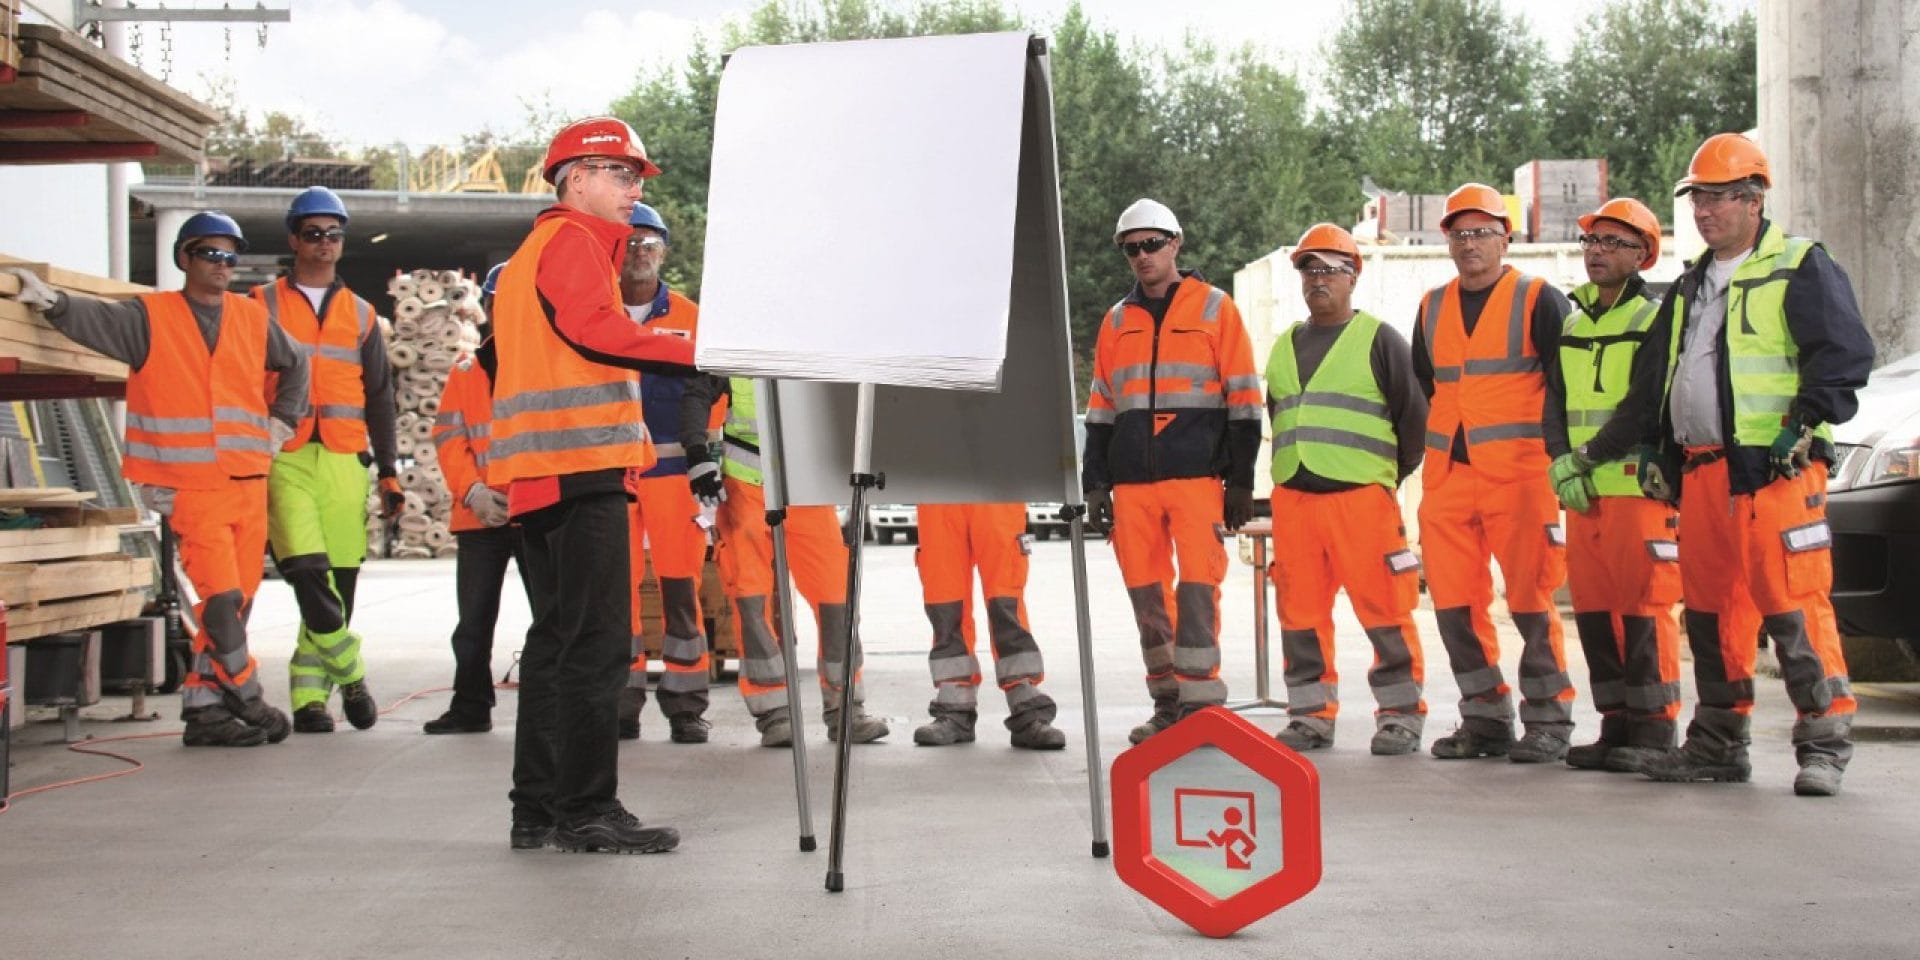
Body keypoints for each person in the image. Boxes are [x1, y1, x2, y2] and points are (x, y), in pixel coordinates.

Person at [1575, 133, 1873, 796]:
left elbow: (1845, 355)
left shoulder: (1799, 267)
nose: (1705, 211)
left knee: (1793, 605)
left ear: (1753, 199)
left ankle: (1824, 741)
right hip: (1703, 475)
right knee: (1712, 612)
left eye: (1717, 198)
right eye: (1698, 199)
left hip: (1776, 474)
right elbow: (1655, 380)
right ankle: (1717, 744)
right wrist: (1649, 446)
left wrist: (1801, 422)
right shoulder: (1689, 286)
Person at [8, 213, 307, 746]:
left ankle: (204, 710)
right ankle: (248, 692)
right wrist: (52, 301)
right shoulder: (151, 316)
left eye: (230, 256)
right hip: (189, 484)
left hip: (247, 478)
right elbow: (96, 321)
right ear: (185, 259)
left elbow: (297, 363)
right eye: (211, 254)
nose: (223, 265)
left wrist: (281, 421)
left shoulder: (251, 317)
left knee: (236, 603)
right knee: (219, 600)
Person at [490, 117, 693, 852]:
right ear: (576, 178)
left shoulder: (535, 251)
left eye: (636, 176)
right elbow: (595, 331)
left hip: (543, 477)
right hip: (579, 472)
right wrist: (697, 348)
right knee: (601, 644)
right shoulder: (573, 242)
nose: (634, 189)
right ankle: (586, 810)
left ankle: (537, 810)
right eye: (621, 173)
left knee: (556, 643)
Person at [1082, 198, 1262, 744]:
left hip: (1196, 480)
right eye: (1131, 249)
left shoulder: (1215, 308)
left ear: (1175, 243)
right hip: (1133, 484)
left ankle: (1202, 706)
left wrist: (1242, 482)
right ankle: (1167, 702)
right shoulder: (1117, 320)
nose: (1142, 256)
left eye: (1151, 244)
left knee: (1198, 591)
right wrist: (1095, 483)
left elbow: (1245, 401)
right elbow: (1101, 407)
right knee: (1146, 594)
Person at [1411, 182, 1576, 764]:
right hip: (1449, 478)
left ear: (1506, 237)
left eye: (1481, 232)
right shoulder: (1432, 306)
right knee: (1455, 606)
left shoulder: (1539, 299)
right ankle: (1485, 720)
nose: (1470, 244)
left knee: (1532, 604)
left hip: (1520, 475)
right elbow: (1430, 384)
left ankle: (1549, 720)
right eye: (1459, 234)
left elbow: (1565, 385)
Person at [1262, 224, 1429, 756]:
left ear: (1354, 276)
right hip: (1295, 501)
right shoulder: (1284, 345)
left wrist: (1383, 478)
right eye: (1310, 269)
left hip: (1362, 501)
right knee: (1300, 614)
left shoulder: (1381, 339)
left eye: (1331, 269)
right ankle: (1310, 716)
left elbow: (1414, 421)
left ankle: (1400, 715)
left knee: (1385, 608)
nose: (1319, 280)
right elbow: (1280, 417)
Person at [253, 185, 401, 734]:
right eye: (313, 234)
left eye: (334, 234)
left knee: (339, 584)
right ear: (294, 239)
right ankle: (354, 675)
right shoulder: (261, 304)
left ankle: (310, 699)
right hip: (284, 453)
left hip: (344, 457)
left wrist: (387, 471)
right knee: (307, 573)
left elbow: (381, 395)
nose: (324, 243)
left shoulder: (362, 314)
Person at [1544, 198, 1683, 773]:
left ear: (1643, 255)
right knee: (1597, 611)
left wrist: (1581, 458)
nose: (1597, 253)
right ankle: (1616, 723)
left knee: (1644, 607)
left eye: (1614, 244)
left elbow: (1644, 406)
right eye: (1592, 243)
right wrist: (1558, 458)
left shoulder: (1653, 317)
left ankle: (1654, 730)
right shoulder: (1574, 322)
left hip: (1634, 488)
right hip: (1585, 493)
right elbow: (1554, 398)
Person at [677, 375, 891, 747]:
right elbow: (696, 397)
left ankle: (846, 711)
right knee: (751, 600)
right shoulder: (733, 354)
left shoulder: (807, 349)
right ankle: (774, 714)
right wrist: (697, 456)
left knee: (836, 598)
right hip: (746, 492)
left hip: (806, 490)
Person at [615, 203, 712, 745]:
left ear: (664, 251)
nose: (639, 254)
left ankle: (685, 705)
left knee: (681, 589)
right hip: (615, 475)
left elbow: (711, 395)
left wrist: (706, 462)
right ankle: (621, 703)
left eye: (649, 244)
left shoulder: (694, 318)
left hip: (676, 477)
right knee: (617, 594)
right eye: (630, 243)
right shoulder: (595, 314)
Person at [422, 263, 524, 735]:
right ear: (486, 309)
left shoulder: (546, 367)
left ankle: (554, 706)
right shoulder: (466, 370)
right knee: (474, 623)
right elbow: (449, 437)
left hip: (536, 510)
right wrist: (474, 491)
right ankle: (470, 706)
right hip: (481, 514)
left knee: (553, 619)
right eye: (497, 303)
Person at [909, 502, 1066, 750]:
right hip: (938, 481)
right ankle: (955, 706)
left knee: (1004, 598)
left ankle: (1024, 701)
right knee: (945, 599)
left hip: (994, 480)